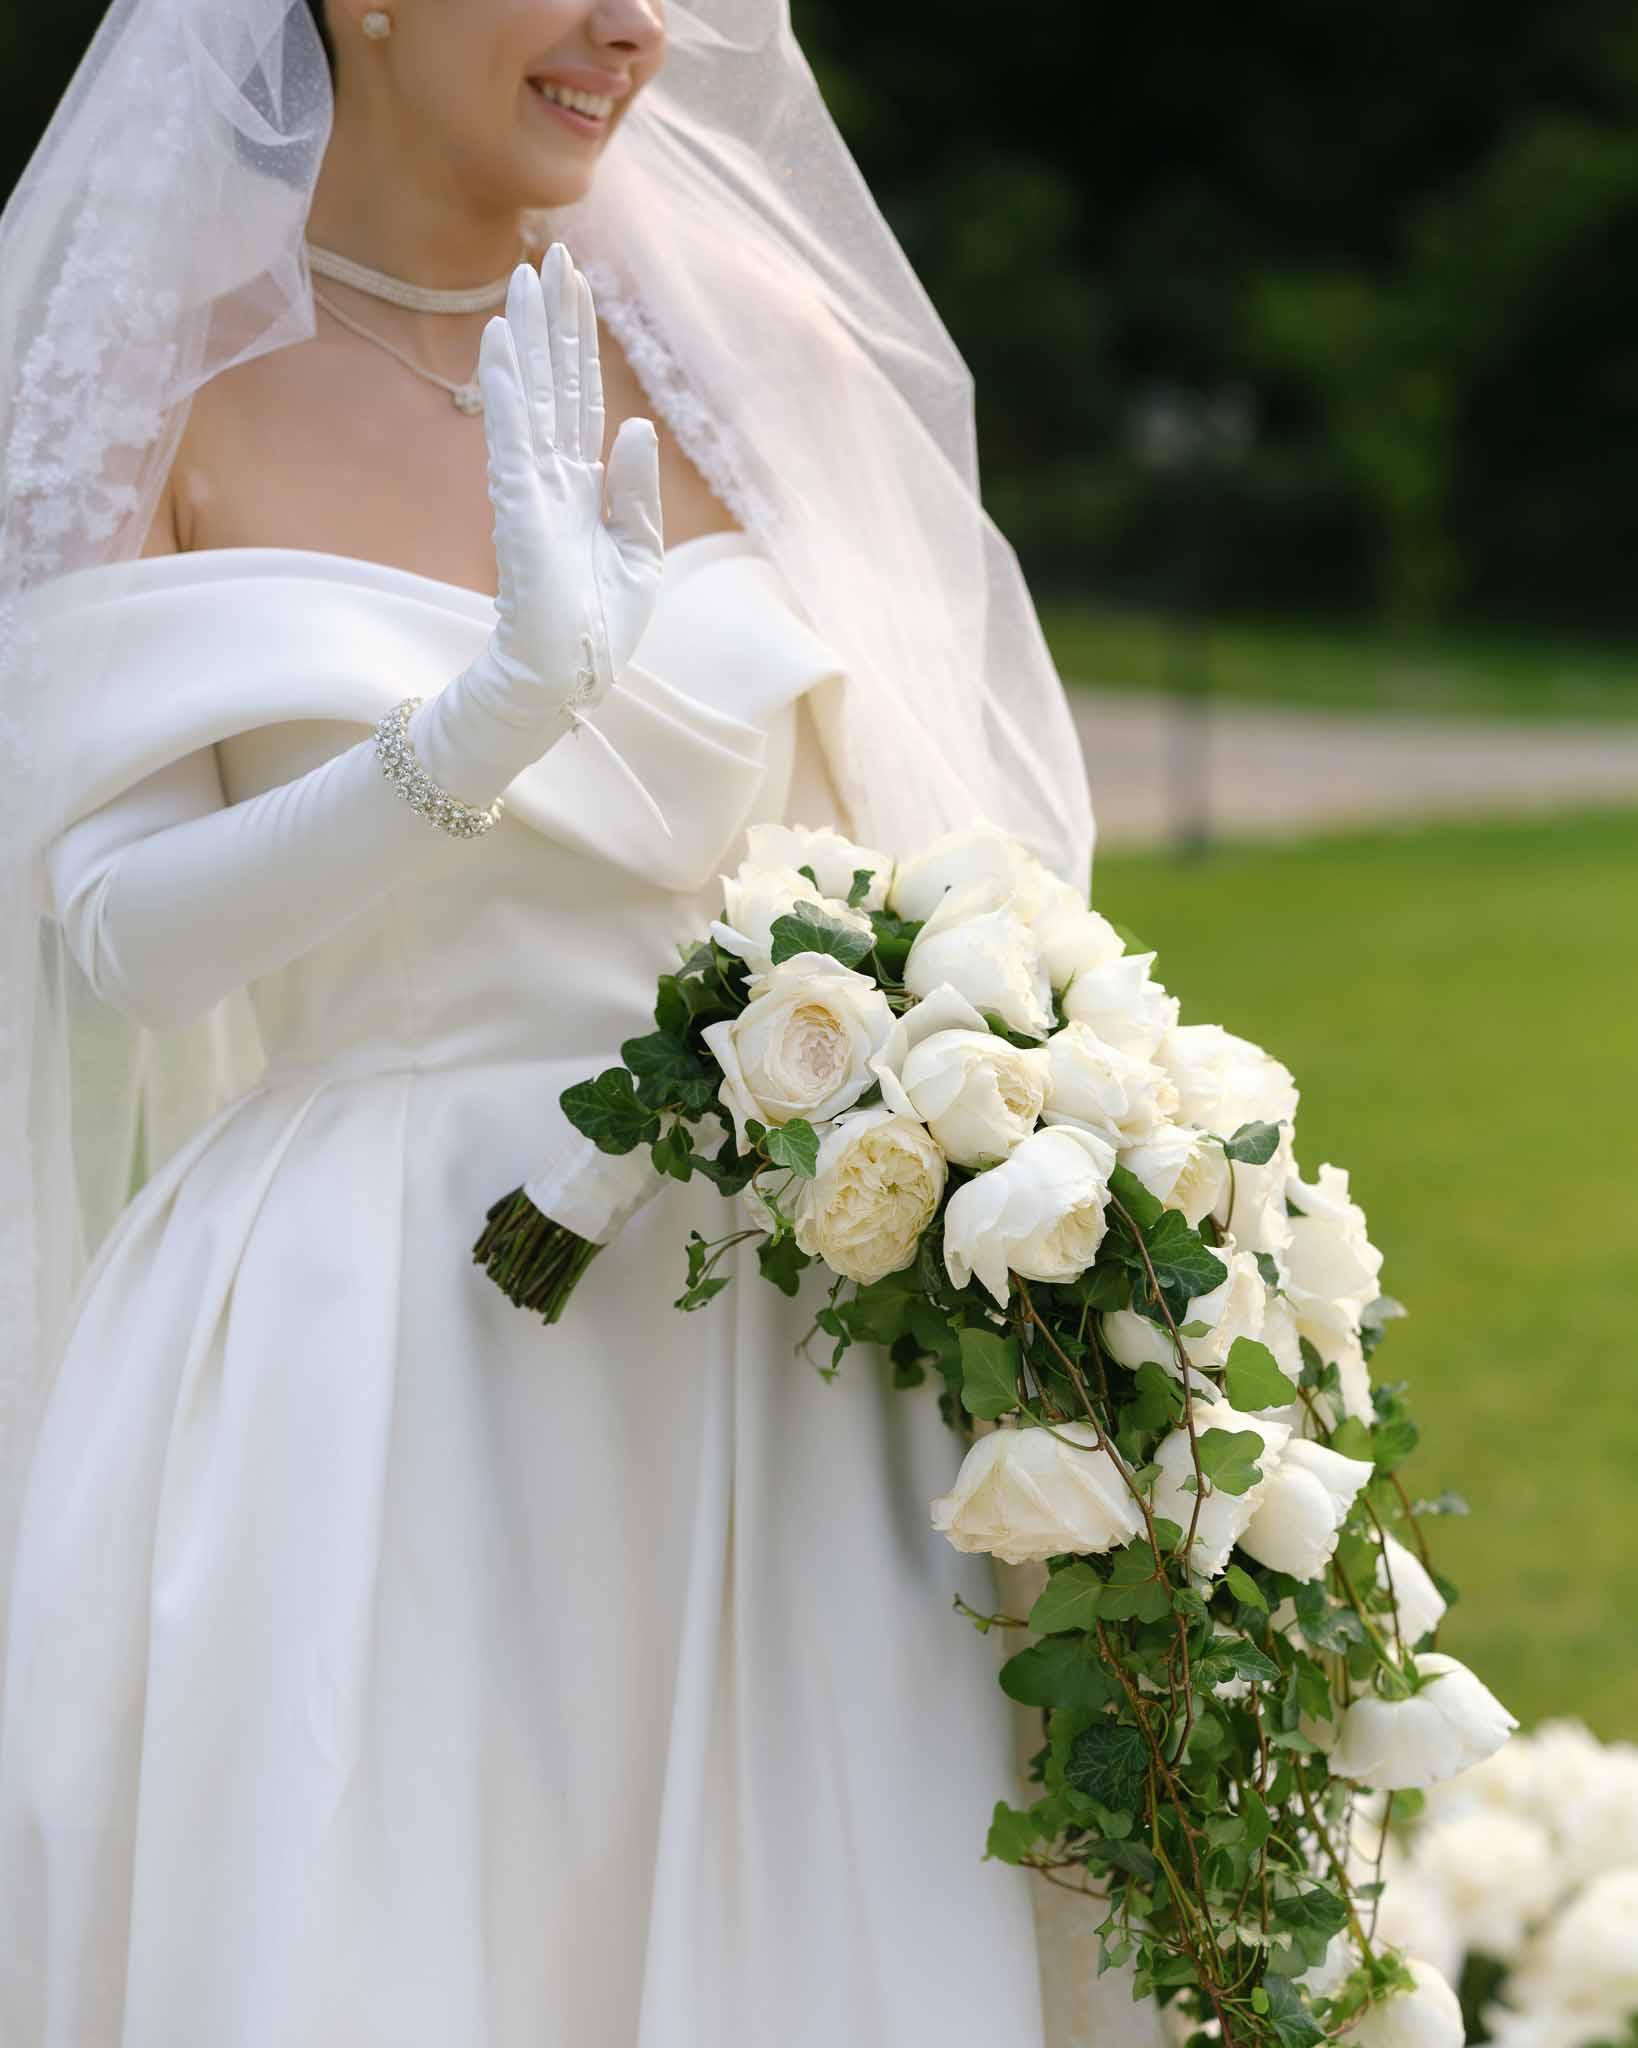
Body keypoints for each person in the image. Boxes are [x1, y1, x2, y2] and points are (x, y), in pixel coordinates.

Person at [0, 2, 1138, 2042]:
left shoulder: (748, 353)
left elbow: (945, 868)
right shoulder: (155, 398)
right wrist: (469, 736)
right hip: (369, 1346)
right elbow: (113, 949)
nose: (637, 26)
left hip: (774, 1344)